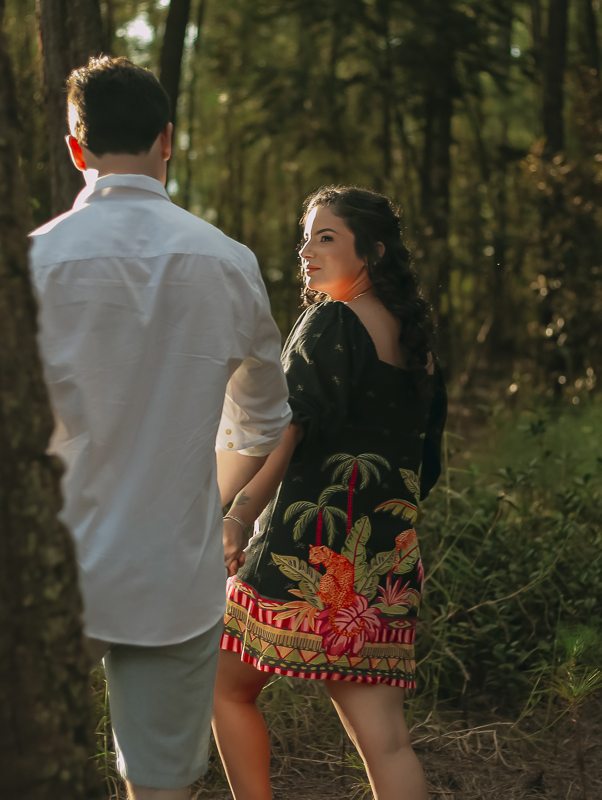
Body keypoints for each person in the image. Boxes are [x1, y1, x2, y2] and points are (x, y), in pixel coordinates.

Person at [27, 56, 292, 800]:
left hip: (49, 565)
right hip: (173, 571)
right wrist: (203, 504)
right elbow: (264, 421)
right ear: (166, 139)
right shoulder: (229, 263)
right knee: (162, 788)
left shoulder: (29, 263)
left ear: (76, 147)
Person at [213, 186, 447, 800]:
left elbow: (287, 433)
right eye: (305, 238)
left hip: (308, 551)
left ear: (372, 251)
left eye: (326, 238)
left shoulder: (331, 321)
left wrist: (239, 514)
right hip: (385, 566)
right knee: (386, 741)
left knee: (220, 685)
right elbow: (424, 463)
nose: (306, 252)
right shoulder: (416, 345)